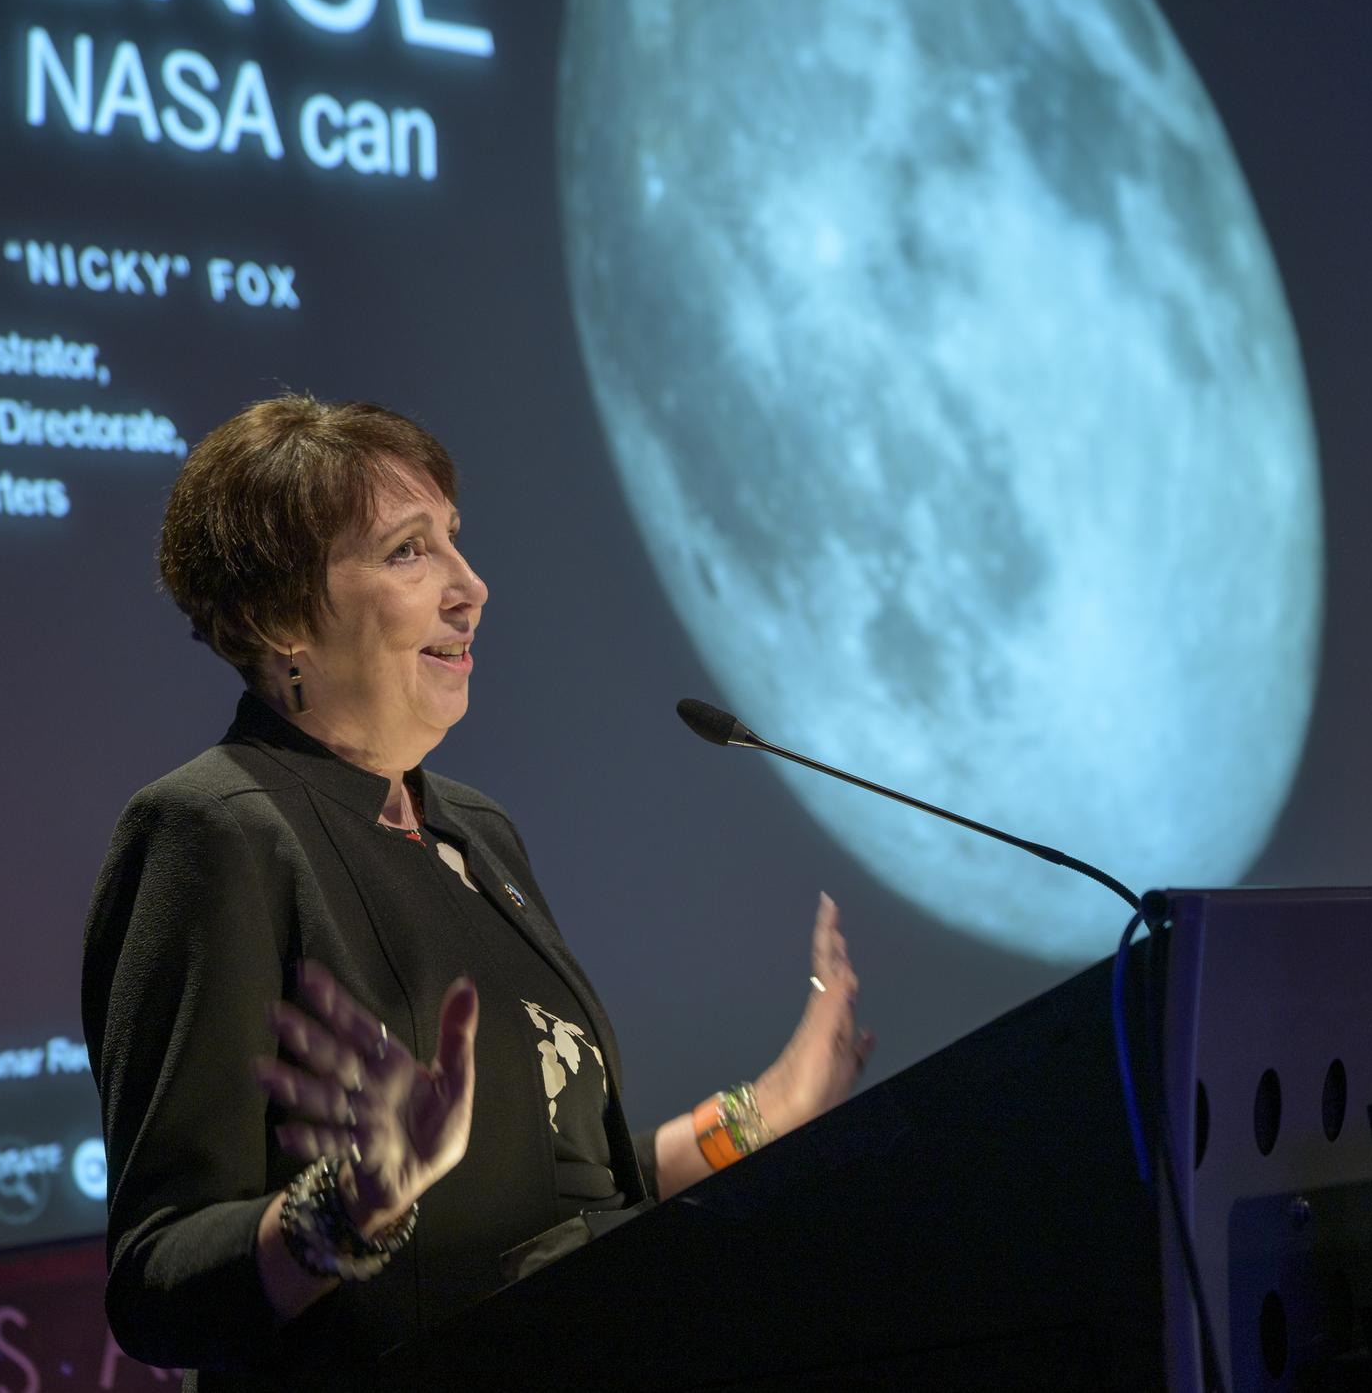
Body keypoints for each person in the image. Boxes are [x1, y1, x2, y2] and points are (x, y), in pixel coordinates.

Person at [82, 397, 872, 1390]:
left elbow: (551, 1194)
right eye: (410, 552)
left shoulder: (474, 828)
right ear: (280, 617)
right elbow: (158, 1282)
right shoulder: (213, 830)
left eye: (454, 540)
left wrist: (759, 1114)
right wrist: (352, 1205)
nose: (472, 588)